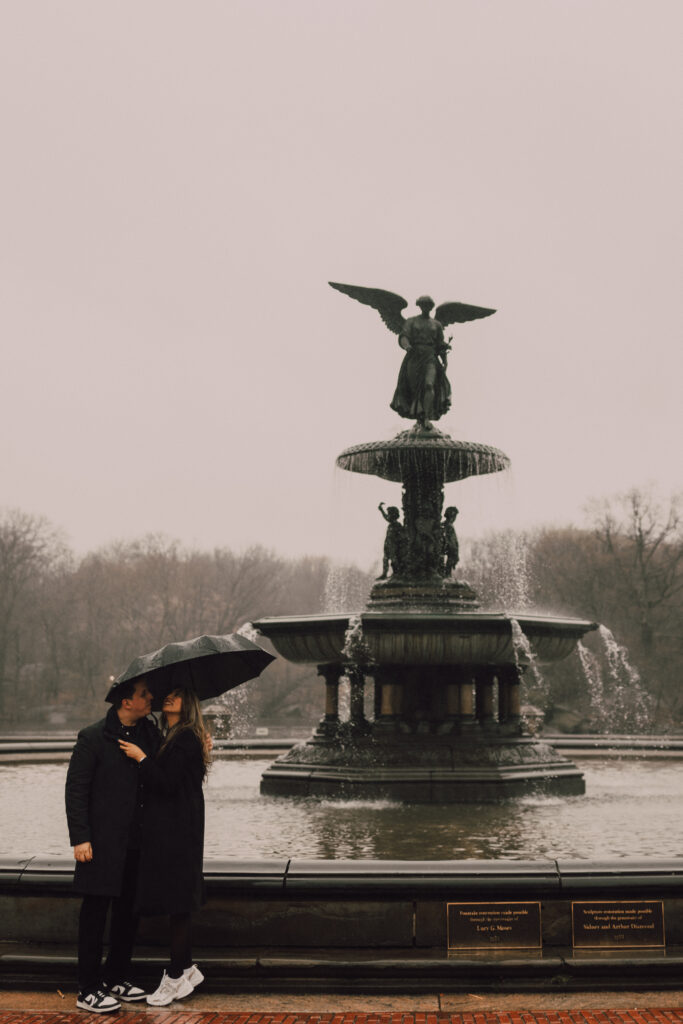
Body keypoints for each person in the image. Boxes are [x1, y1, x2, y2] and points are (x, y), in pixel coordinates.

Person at [65, 677, 160, 1013]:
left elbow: (164, 771)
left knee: (127, 913)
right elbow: (76, 791)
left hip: (137, 843)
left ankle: (117, 976)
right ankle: (87, 988)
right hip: (101, 844)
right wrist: (81, 838)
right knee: (94, 915)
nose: (150, 698)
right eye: (143, 694)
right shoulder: (92, 737)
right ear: (125, 702)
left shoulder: (149, 733)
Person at [118, 686, 210, 1007]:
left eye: (177, 695)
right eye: (166, 694)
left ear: (189, 703)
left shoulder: (185, 736)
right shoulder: (175, 734)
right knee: (177, 900)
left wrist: (141, 757)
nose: (168, 698)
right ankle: (186, 968)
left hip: (178, 831)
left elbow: (167, 782)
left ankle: (174, 977)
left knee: (177, 901)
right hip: (176, 828)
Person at [390, 295, 452, 425]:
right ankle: (419, 416)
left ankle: (425, 416)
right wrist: (407, 347)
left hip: (430, 357)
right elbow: (404, 336)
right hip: (414, 357)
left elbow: (439, 344)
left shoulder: (436, 324)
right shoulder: (411, 321)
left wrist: (445, 357)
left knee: (429, 385)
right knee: (414, 389)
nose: (426, 307)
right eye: (423, 305)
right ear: (419, 306)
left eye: (428, 305)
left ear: (431, 307)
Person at [376, 502, 404, 579]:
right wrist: (381, 510)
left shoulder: (397, 525)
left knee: (393, 558)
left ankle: (397, 573)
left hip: (393, 544)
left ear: (394, 515)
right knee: (385, 558)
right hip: (388, 543)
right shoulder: (392, 524)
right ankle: (384, 573)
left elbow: (401, 536)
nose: (388, 516)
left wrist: (397, 542)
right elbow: (386, 518)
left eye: (390, 514)